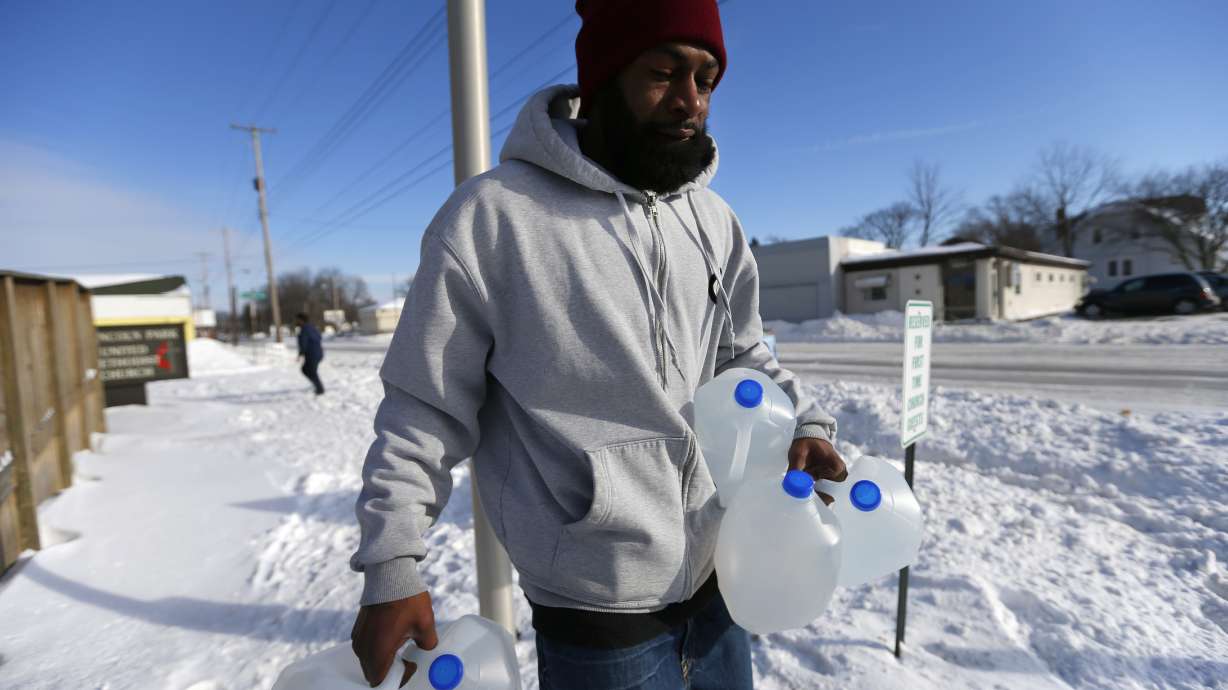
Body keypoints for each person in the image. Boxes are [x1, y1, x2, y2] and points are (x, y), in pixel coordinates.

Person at [349, 1, 847, 687]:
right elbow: (423, 409)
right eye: (664, 72)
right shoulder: (492, 220)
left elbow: (742, 356)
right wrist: (391, 567)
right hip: (596, 615)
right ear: (605, 74)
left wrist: (804, 423)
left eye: (706, 79)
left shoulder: (713, 221)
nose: (689, 101)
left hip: (721, 579)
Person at [295, 312, 324, 395]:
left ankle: (320, 389)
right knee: (307, 370)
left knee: (309, 371)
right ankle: (318, 386)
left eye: (297, 320)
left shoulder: (304, 329)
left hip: (312, 354)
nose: (296, 322)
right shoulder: (312, 327)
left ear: (301, 320)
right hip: (318, 353)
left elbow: (303, 343)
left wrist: (300, 354)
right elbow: (319, 337)